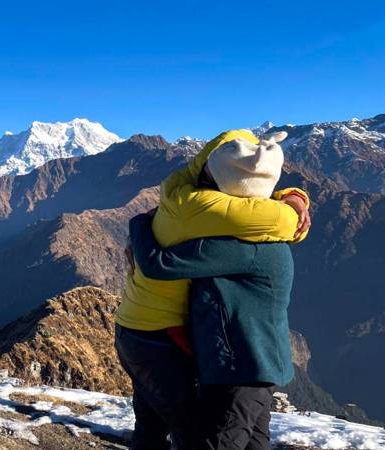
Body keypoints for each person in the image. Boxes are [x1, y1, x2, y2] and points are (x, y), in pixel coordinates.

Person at [114, 130, 310, 450]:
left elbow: (157, 263)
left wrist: (139, 223)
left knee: (170, 428)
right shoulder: (227, 222)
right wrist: (294, 200)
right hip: (171, 341)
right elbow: (283, 221)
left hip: (150, 333)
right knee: (208, 435)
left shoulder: (184, 194)